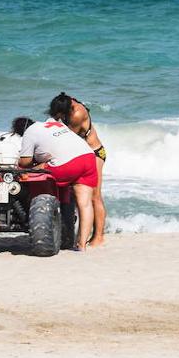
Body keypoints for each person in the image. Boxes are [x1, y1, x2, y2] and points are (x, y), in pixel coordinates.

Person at [16, 94, 100, 251]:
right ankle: (81, 245)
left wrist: (35, 164)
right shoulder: (59, 125)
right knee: (85, 204)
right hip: (88, 157)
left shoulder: (30, 131)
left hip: (67, 164)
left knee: (38, 171)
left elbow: (25, 162)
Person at [61, 92, 108, 247]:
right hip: (84, 155)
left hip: (95, 153)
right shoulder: (71, 103)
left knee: (95, 196)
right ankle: (82, 234)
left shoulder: (77, 114)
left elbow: (68, 137)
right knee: (80, 197)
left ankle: (99, 236)